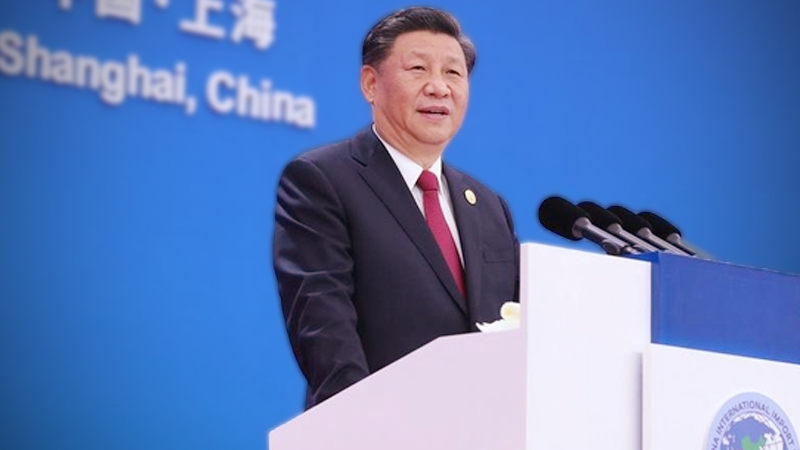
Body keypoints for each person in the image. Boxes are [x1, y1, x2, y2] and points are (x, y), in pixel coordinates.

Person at [273, 7, 519, 409]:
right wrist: (365, 422)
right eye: (418, 69)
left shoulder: (489, 207)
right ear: (371, 84)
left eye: (453, 73)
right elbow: (323, 327)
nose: (439, 87)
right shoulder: (323, 180)